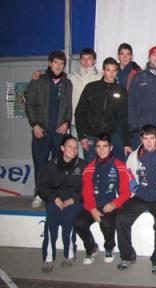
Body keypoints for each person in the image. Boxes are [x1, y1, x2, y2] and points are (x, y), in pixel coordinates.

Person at [116, 124, 156, 274]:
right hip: (140, 196)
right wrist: (135, 188)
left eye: (152, 138)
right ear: (140, 139)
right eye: (145, 138)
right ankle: (127, 255)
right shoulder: (134, 156)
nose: (149, 142)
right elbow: (128, 174)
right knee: (121, 218)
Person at [31, 48, 103, 159]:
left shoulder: (101, 77)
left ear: (94, 61)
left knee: (92, 159)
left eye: (89, 59)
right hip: (75, 124)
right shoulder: (70, 77)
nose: (86, 62)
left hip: (93, 126)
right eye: (83, 59)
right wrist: (40, 72)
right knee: (75, 156)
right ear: (79, 61)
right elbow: (55, 73)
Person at [74, 133, 132, 265]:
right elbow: (87, 192)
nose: (102, 149)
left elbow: (126, 192)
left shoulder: (120, 165)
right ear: (95, 149)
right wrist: (92, 209)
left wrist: (114, 204)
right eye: (99, 146)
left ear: (111, 147)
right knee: (78, 222)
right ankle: (91, 248)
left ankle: (109, 247)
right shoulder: (89, 168)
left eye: (105, 146)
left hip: (112, 204)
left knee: (106, 223)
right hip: (93, 204)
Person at [25, 50, 72, 208]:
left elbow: (68, 107)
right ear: (49, 63)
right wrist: (35, 125)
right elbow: (29, 104)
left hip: (59, 132)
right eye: (56, 62)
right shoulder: (38, 80)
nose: (59, 66)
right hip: (41, 131)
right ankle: (39, 194)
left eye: (61, 63)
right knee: (41, 164)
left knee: (59, 165)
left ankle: (55, 195)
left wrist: (66, 122)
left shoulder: (67, 83)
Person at [38, 135, 86, 273]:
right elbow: (42, 188)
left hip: (74, 201)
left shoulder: (82, 165)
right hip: (55, 200)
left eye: (76, 147)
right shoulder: (51, 165)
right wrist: (54, 198)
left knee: (68, 220)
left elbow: (85, 188)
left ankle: (69, 253)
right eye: (70, 146)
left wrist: (74, 199)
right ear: (62, 148)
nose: (73, 150)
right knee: (51, 222)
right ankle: (48, 257)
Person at [75, 57, 132, 162]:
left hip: (111, 136)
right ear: (103, 71)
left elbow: (124, 118)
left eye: (114, 70)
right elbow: (79, 112)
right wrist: (82, 136)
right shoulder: (91, 88)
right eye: (108, 70)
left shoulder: (121, 91)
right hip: (91, 136)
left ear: (117, 71)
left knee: (116, 166)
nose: (111, 74)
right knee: (91, 168)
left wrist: (126, 142)